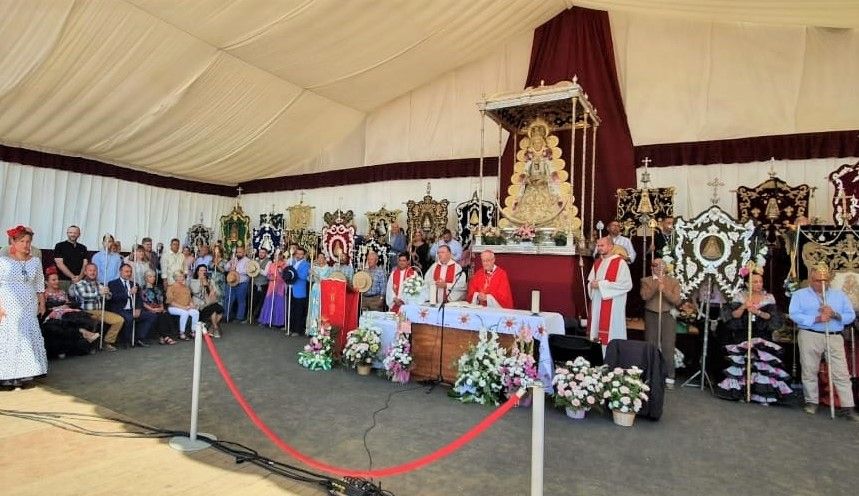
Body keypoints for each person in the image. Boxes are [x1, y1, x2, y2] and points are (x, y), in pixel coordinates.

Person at [789, 267, 859, 420]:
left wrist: (834, 314)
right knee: (809, 369)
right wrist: (816, 319)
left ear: (829, 280)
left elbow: (850, 316)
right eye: (817, 280)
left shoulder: (839, 295)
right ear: (810, 279)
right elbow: (794, 314)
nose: (821, 283)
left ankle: (848, 406)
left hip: (833, 336)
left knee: (841, 372)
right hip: (810, 334)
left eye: (824, 280)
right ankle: (811, 401)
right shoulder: (799, 295)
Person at [715, 272, 791, 403]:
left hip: (761, 334)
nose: (758, 284)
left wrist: (757, 312)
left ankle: (761, 394)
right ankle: (742, 392)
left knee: (760, 364)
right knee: (744, 363)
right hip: (743, 333)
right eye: (755, 282)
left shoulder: (768, 297)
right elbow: (734, 315)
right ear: (747, 284)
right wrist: (745, 306)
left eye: (760, 281)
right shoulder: (740, 296)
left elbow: (771, 316)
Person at [0, 225, 47, 389]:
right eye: (22, 241)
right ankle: (6, 375)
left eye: (28, 241)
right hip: (8, 302)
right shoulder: (2, 261)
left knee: (26, 336)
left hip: (29, 302)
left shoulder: (35, 261)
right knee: (10, 336)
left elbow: (39, 283)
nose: (26, 245)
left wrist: (42, 302)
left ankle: (24, 372)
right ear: (12, 241)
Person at [640, 259, 682, 389]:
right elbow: (644, 297)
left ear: (665, 267)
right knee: (651, 344)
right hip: (651, 313)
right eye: (655, 265)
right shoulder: (646, 280)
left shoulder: (673, 281)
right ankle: (649, 374)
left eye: (661, 265)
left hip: (667, 314)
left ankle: (669, 376)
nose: (658, 267)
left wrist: (665, 290)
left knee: (668, 345)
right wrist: (655, 287)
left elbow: (677, 300)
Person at [41, 266, 99, 357]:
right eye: (53, 280)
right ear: (46, 282)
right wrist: (59, 306)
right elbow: (44, 307)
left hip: (66, 311)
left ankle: (84, 340)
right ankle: (84, 332)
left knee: (84, 317)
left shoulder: (62, 292)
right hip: (53, 314)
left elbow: (69, 303)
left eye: (57, 279)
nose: (57, 281)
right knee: (66, 320)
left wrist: (66, 305)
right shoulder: (44, 293)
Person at [588, 237, 633, 350]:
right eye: (598, 246)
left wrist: (601, 285)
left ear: (610, 246)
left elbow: (626, 285)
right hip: (597, 303)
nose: (599, 248)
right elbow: (591, 281)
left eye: (602, 245)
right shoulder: (597, 262)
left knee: (611, 333)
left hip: (613, 306)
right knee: (596, 331)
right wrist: (591, 285)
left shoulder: (620, 263)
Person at [70, 263, 125, 352]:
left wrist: (107, 292)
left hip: (100, 311)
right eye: (90, 270)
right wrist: (100, 293)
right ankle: (90, 345)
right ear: (85, 272)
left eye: (94, 270)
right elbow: (84, 296)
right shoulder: (79, 284)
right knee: (94, 320)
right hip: (86, 311)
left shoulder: (99, 284)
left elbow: (109, 297)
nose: (93, 272)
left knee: (119, 320)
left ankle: (107, 342)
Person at [107, 264, 156, 347]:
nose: (129, 273)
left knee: (151, 316)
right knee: (129, 318)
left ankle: (139, 338)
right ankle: (126, 341)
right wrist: (129, 293)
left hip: (132, 309)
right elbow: (114, 298)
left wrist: (138, 308)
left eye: (130, 272)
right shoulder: (113, 283)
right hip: (120, 309)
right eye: (126, 271)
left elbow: (139, 299)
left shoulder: (134, 284)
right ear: (120, 272)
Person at [140, 270, 177, 345]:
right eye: (150, 276)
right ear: (146, 278)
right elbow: (142, 303)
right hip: (148, 309)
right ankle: (166, 337)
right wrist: (152, 309)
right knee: (159, 316)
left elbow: (161, 301)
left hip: (158, 309)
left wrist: (161, 308)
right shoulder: (142, 289)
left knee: (165, 314)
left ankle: (162, 337)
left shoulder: (157, 289)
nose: (153, 278)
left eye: (154, 276)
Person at [189, 265, 224, 338]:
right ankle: (215, 328)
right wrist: (201, 282)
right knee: (213, 310)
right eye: (201, 270)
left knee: (220, 310)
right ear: (197, 272)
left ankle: (211, 328)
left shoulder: (210, 280)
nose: (203, 272)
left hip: (210, 302)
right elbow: (196, 291)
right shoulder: (193, 281)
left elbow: (218, 293)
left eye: (205, 270)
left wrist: (212, 290)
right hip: (200, 305)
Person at [166, 271, 200, 340]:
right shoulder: (171, 287)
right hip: (173, 307)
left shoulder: (186, 287)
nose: (182, 278)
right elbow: (171, 302)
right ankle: (181, 333)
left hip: (185, 307)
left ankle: (193, 331)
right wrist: (183, 307)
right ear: (175, 278)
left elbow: (190, 299)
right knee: (184, 313)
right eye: (180, 276)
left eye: (183, 276)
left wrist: (191, 305)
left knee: (196, 312)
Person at [54, 225, 88, 292]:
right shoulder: (59, 246)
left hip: (80, 281)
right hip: (63, 281)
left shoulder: (83, 248)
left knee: (78, 301)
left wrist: (79, 278)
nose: (73, 234)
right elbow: (59, 264)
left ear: (79, 234)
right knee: (64, 301)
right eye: (70, 232)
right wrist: (73, 277)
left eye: (75, 233)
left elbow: (85, 264)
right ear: (67, 233)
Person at [258, 251, 287, 327]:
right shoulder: (272, 264)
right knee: (269, 303)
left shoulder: (284, 265)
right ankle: (266, 321)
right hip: (271, 285)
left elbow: (286, 276)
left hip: (280, 286)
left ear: (281, 256)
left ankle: (277, 322)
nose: (276, 257)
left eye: (278, 255)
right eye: (275, 255)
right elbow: (268, 274)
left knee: (278, 303)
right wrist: (270, 277)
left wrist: (281, 272)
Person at [306, 253, 333, 334]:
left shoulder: (329, 269)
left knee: (321, 308)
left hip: (323, 289)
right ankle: (312, 329)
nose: (320, 259)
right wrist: (310, 274)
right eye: (319, 257)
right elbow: (310, 280)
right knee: (313, 308)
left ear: (325, 259)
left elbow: (325, 280)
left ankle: (321, 329)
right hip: (315, 289)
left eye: (322, 257)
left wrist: (315, 275)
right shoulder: (315, 268)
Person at [287, 247, 311, 335]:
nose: (299, 255)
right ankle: (291, 327)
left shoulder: (306, 264)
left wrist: (293, 272)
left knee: (299, 311)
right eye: (297, 253)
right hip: (291, 288)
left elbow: (304, 276)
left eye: (301, 254)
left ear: (304, 255)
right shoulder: (292, 262)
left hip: (300, 290)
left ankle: (298, 330)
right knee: (292, 309)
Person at [226, 246, 251, 321]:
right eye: (237, 252)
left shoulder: (248, 261)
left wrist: (236, 270)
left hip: (242, 283)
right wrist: (230, 266)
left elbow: (247, 271)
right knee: (229, 299)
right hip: (232, 282)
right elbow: (226, 267)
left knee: (241, 300)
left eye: (240, 252)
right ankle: (226, 315)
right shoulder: (234, 259)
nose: (238, 254)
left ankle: (239, 317)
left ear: (244, 253)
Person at [250, 247, 271, 320]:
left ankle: (259, 318)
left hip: (263, 284)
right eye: (260, 252)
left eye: (263, 253)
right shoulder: (256, 260)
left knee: (261, 302)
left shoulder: (269, 262)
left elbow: (265, 273)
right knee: (253, 301)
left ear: (266, 254)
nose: (261, 254)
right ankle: (250, 317)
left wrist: (257, 268)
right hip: (255, 283)